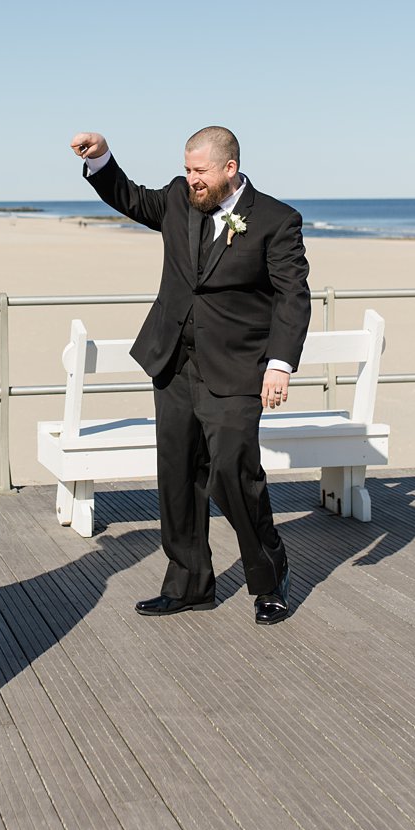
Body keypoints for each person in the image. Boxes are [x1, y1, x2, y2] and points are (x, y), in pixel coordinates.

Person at [71, 126, 310, 625]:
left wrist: (280, 364)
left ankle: (268, 576)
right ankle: (188, 583)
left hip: (238, 368)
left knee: (232, 472)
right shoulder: (180, 201)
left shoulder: (276, 220)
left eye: (199, 171)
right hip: (174, 364)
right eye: (186, 169)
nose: (190, 179)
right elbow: (132, 199)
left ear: (229, 168)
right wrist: (102, 159)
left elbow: (293, 297)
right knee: (177, 476)